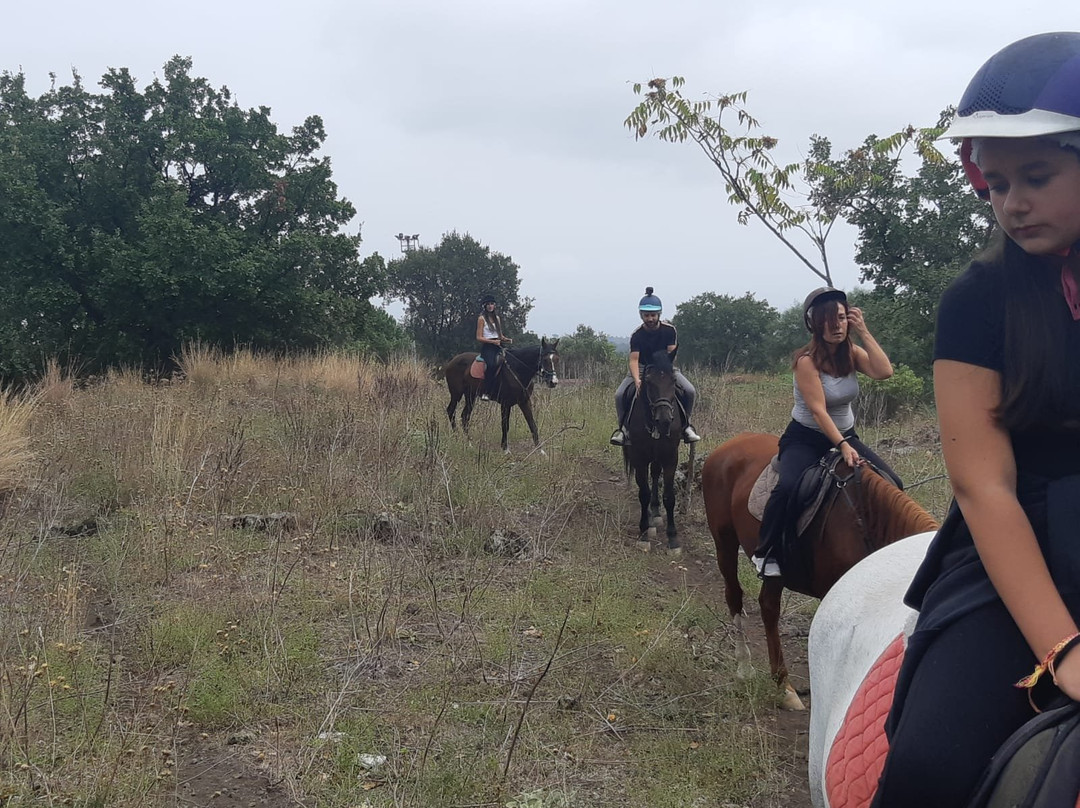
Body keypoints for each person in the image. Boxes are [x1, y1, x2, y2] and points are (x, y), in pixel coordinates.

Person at [872, 32, 1080, 807]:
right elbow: (982, 484)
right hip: (1015, 551)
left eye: (1036, 175)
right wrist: (1063, 650)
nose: (1012, 202)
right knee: (928, 768)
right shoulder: (978, 299)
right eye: (995, 183)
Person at [751, 287, 898, 577]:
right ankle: (765, 551)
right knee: (789, 486)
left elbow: (884, 372)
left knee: (893, 482)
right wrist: (842, 445)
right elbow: (818, 411)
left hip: (846, 433)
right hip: (806, 438)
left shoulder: (852, 353)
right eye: (828, 320)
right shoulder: (807, 361)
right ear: (814, 324)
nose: (836, 326)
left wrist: (864, 332)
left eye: (842, 318)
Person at [609, 287, 700, 446]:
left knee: (690, 390)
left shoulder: (669, 330)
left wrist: (664, 370)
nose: (650, 319)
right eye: (646, 315)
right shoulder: (637, 335)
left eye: (653, 315)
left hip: (665, 367)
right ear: (641, 315)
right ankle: (623, 430)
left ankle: (686, 426)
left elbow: (672, 354)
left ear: (659, 314)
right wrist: (637, 379)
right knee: (619, 394)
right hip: (643, 368)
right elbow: (633, 360)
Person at [475, 294, 511, 400]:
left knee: (510, 360)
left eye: (492, 304)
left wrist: (505, 339)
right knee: (491, 365)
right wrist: (492, 342)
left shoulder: (497, 319)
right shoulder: (481, 319)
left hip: (498, 344)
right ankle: (486, 391)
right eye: (488, 304)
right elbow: (479, 337)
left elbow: (499, 335)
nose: (490, 306)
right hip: (488, 346)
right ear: (485, 306)